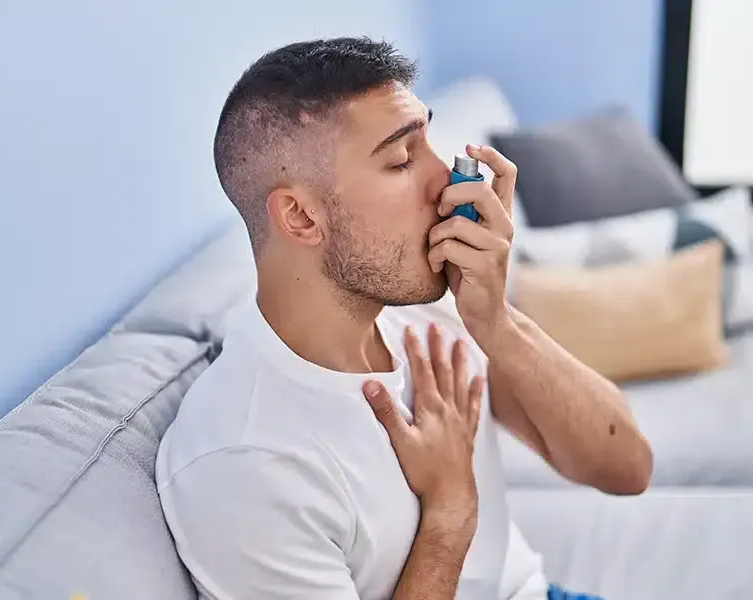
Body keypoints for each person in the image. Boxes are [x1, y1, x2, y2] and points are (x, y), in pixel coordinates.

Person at [155, 36, 653, 600]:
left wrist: (496, 322)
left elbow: (627, 467)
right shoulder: (245, 463)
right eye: (400, 160)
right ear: (299, 215)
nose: (446, 179)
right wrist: (450, 510)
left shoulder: (429, 315)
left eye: (430, 144)